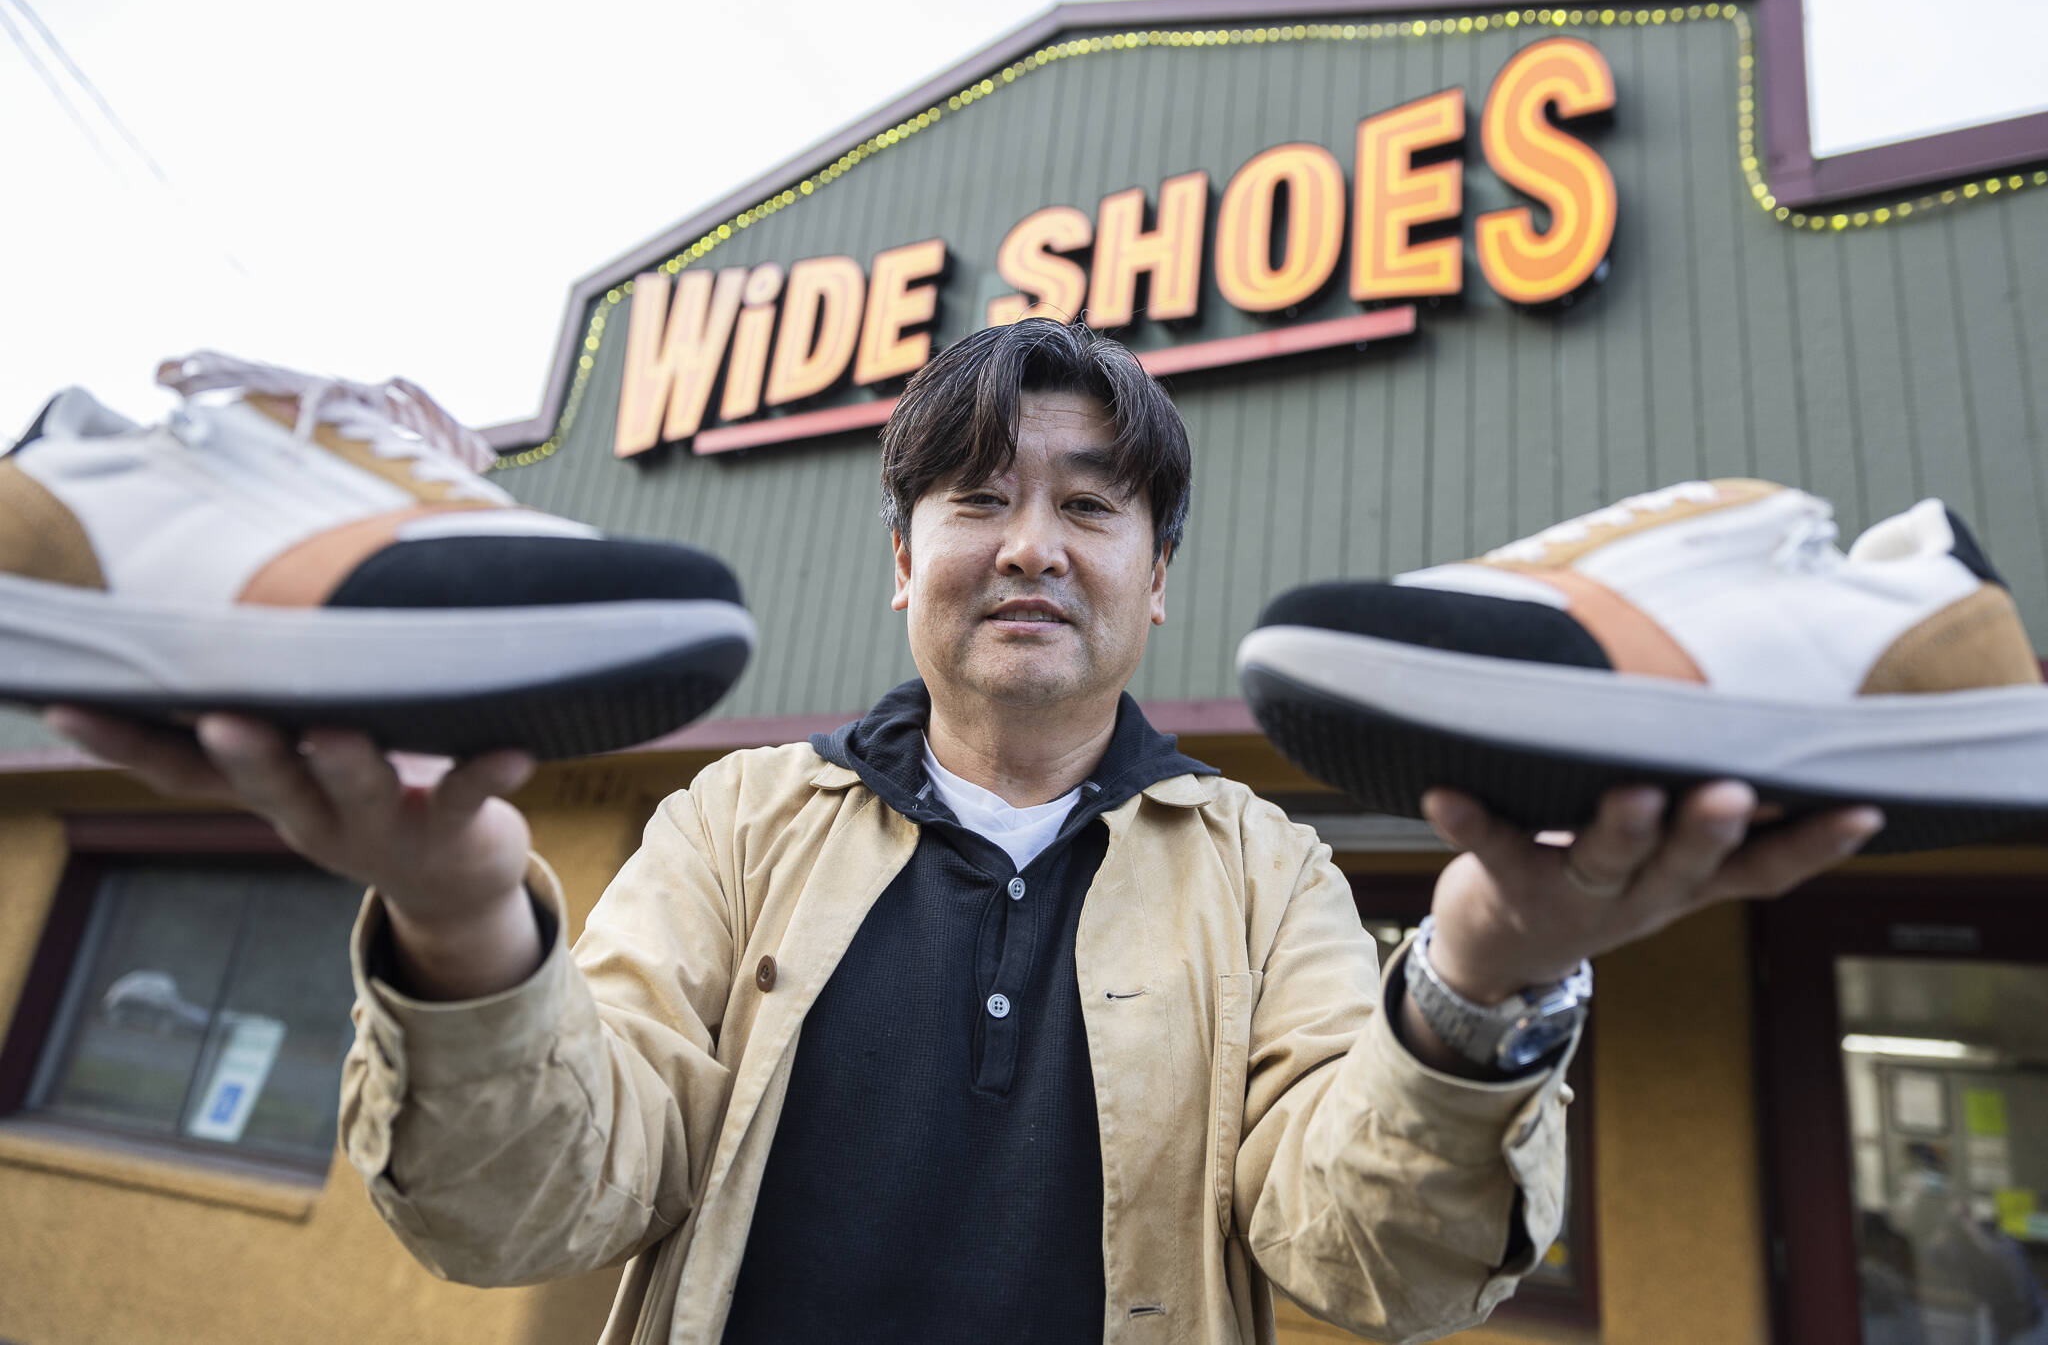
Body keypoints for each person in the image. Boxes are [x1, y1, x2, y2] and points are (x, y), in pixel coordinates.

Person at [48, 318, 1884, 1343]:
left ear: (1160, 582)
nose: (1031, 544)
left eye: (1093, 507)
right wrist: (456, 917)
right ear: (901, 558)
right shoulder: (737, 819)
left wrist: (1489, 967)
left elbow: (1364, 1261)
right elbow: (535, 1203)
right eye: (978, 497)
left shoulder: (1271, 874)